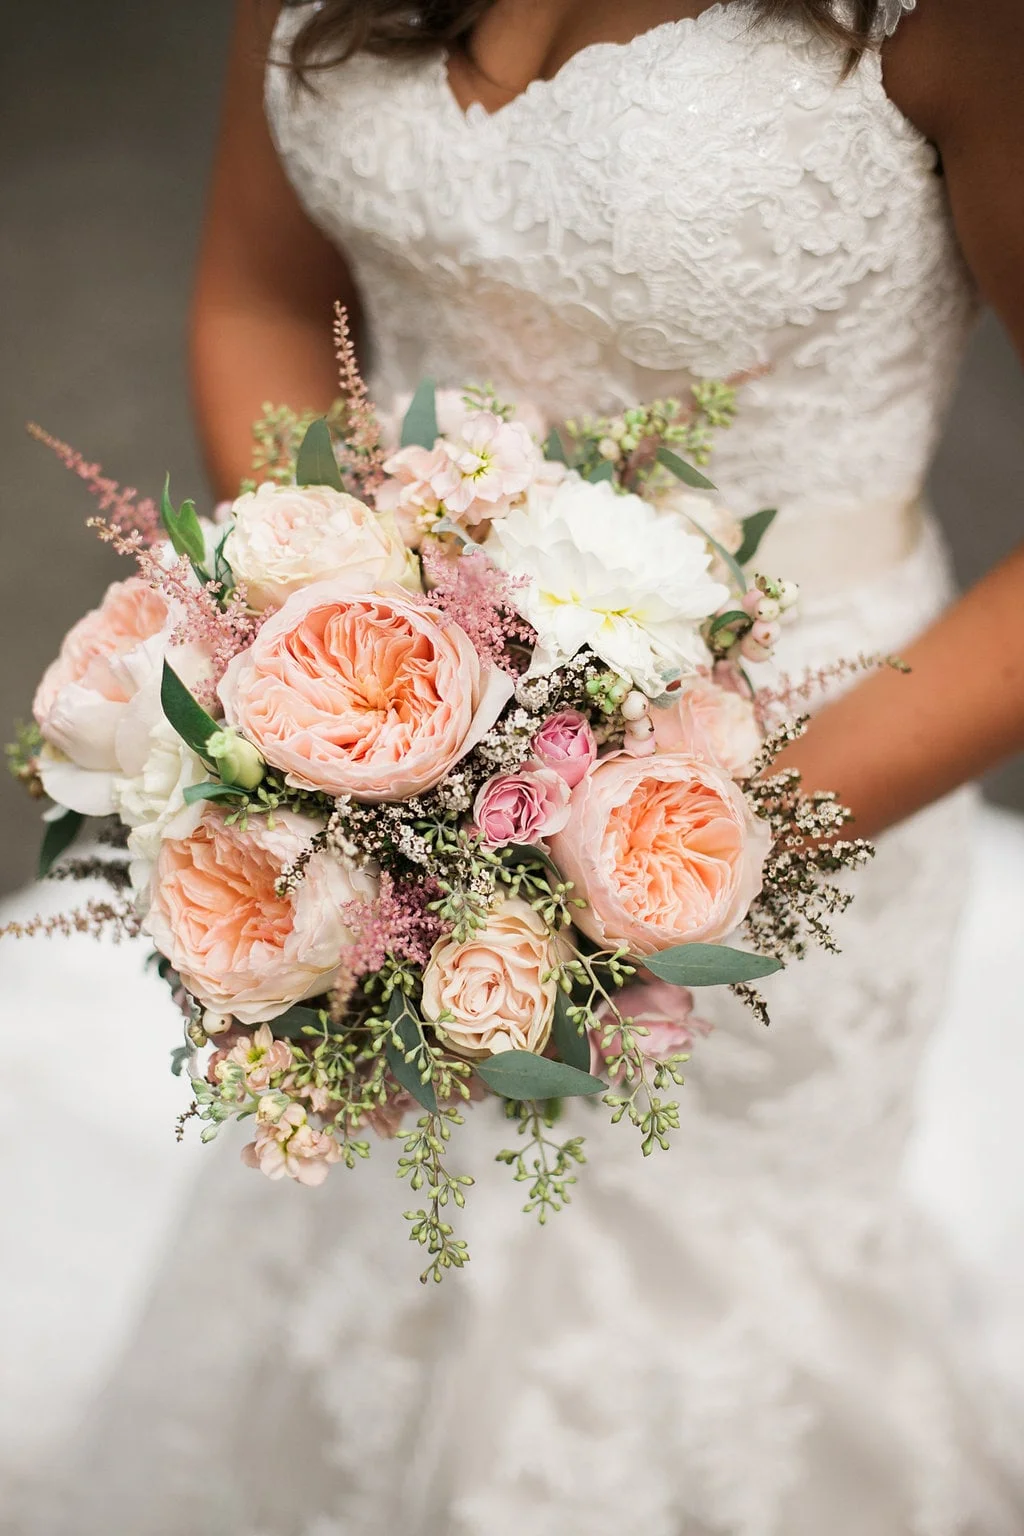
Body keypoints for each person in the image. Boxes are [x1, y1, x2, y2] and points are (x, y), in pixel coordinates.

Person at [23, 2, 1024, 1532]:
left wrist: (680, 839)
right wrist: (328, 671)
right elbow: (264, 295)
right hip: (387, 736)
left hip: (806, 768)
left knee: (688, 1302)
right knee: (371, 1223)